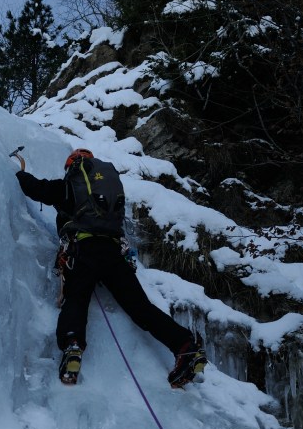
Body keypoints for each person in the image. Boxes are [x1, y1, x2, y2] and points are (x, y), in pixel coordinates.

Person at [13, 146, 207, 387]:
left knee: (77, 299)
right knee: (141, 307)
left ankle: (73, 345)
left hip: (82, 251)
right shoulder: (109, 190)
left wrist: (19, 174)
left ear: (72, 167)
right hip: (114, 253)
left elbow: (37, 189)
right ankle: (185, 345)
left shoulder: (72, 185)